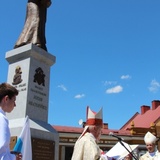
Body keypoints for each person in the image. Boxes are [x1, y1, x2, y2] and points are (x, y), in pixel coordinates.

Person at [0, 83, 22, 160]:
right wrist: (14, 158)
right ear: (6, 99)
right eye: (14, 100)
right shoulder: (2, 119)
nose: (15, 104)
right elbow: (1, 155)